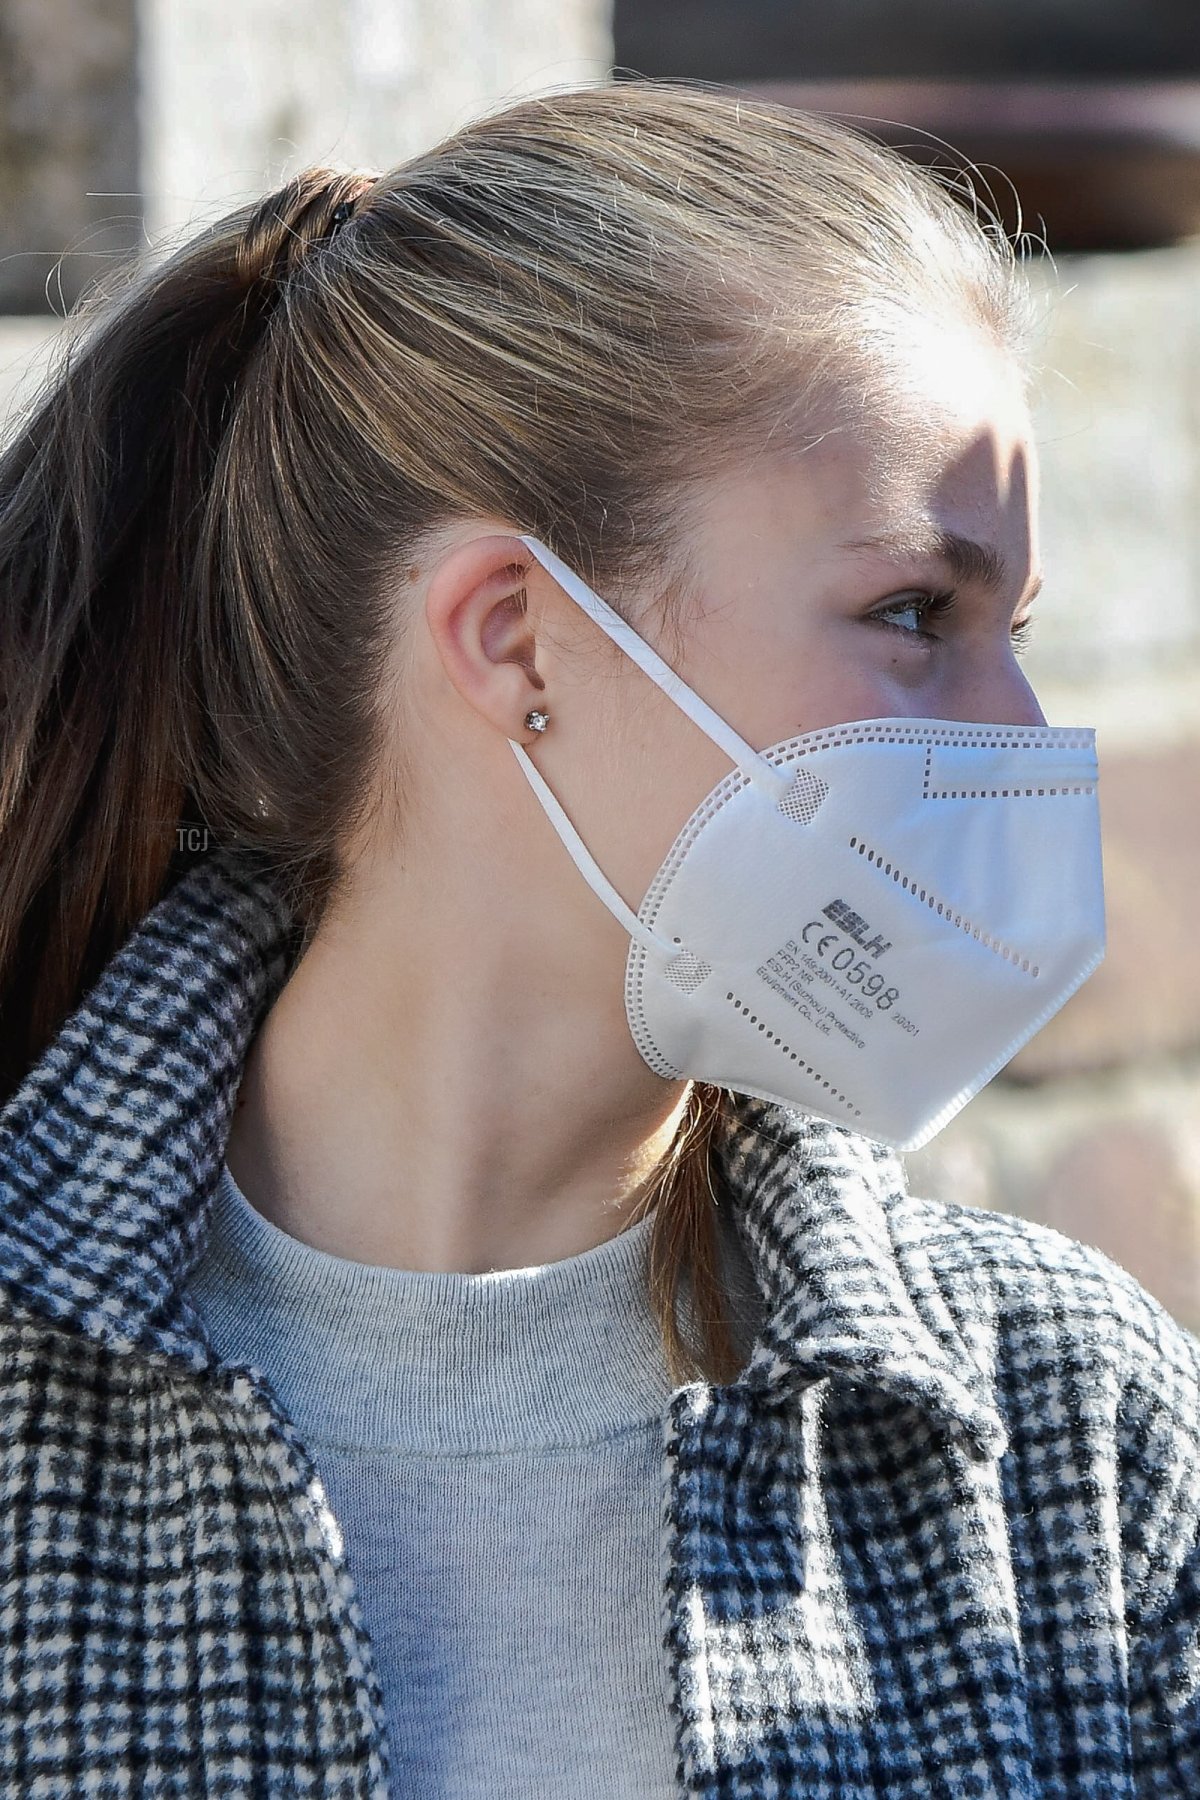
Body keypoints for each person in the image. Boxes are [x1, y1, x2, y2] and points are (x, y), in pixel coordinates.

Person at [0, 78, 1195, 1800]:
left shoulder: (1073, 1439)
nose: (1020, 740)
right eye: (913, 613)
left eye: (1015, 632)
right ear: (517, 639)